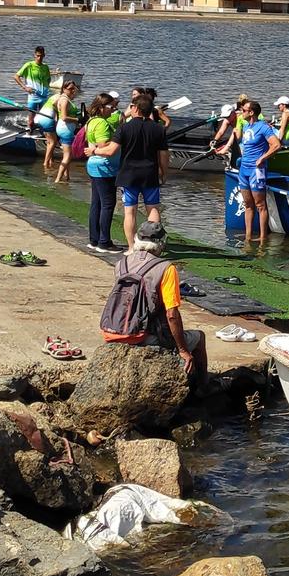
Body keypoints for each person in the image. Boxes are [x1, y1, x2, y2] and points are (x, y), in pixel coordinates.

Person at [99, 221, 205, 381]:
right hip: (140, 336)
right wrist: (183, 349)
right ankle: (202, 388)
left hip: (111, 331)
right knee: (199, 337)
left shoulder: (121, 264)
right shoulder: (166, 268)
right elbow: (172, 315)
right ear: (162, 243)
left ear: (136, 239)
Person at [115, 87, 171, 243]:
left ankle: (132, 246)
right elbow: (164, 154)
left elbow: (113, 149)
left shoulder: (124, 128)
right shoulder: (158, 129)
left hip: (128, 174)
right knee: (153, 208)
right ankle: (153, 243)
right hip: (149, 173)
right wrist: (164, 172)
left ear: (136, 109)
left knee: (130, 212)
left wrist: (94, 150)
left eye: (132, 106)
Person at [235, 99, 282, 242]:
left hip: (257, 170)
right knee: (247, 204)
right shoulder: (247, 126)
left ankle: (262, 238)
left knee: (260, 205)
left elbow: (276, 145)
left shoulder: (263, 127)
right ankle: (248, 237)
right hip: (244, 169)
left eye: (243, 110)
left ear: (251, 112)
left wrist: (263, 158)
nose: (241, 112)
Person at [82, 92, 121, 251]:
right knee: (108, 204)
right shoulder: (102, 124)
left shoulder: (91, 121)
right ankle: (104, 241)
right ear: (101, 107)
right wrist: (119, 139)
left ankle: (94, 239)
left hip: (95, 165)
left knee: (96, 203)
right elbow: (103, 144)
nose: (113, 109)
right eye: (111, 107)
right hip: (104, 166)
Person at [15, 46, 52, 111]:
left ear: (44, 55)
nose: (39, 58)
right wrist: (25, 87)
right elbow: (16, 76)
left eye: (41, 56)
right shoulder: (29, 65)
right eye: (38, 56)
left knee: (42, 118)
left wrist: (46, 88)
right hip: (33, 96)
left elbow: (48, 79)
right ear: (34, 55)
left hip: (44, 97)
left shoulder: (45, 67)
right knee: (31, 120)